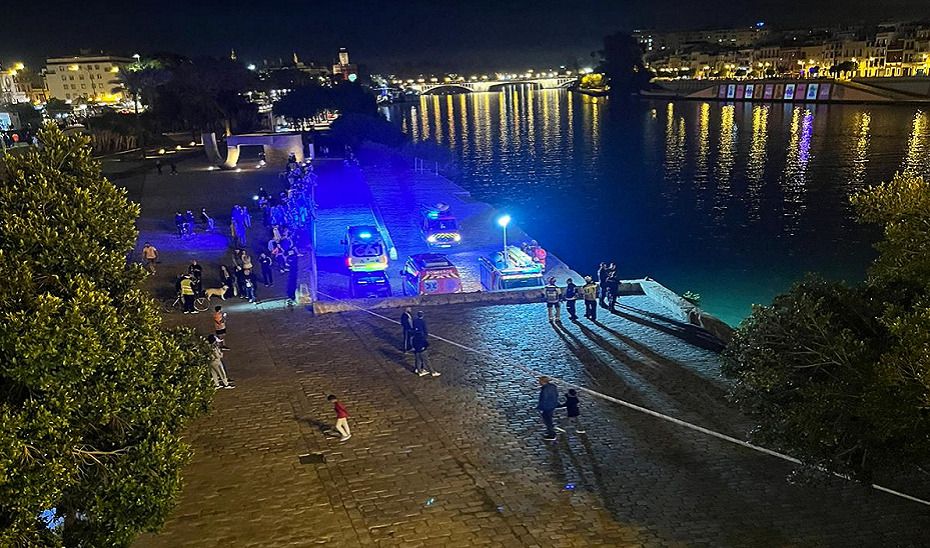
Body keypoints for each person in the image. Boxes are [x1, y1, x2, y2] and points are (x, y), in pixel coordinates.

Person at [537, 376, 561, 440]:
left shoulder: (545, 390)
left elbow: (544, 400)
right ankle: (549, 431)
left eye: (540, 381)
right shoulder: (553, 386)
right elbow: (556, 395)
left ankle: (551, 434)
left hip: (547, 407)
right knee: (549, 419)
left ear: (543, 382)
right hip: (553, 405)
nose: (539, 382)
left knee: (548, 421)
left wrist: (540, 408)